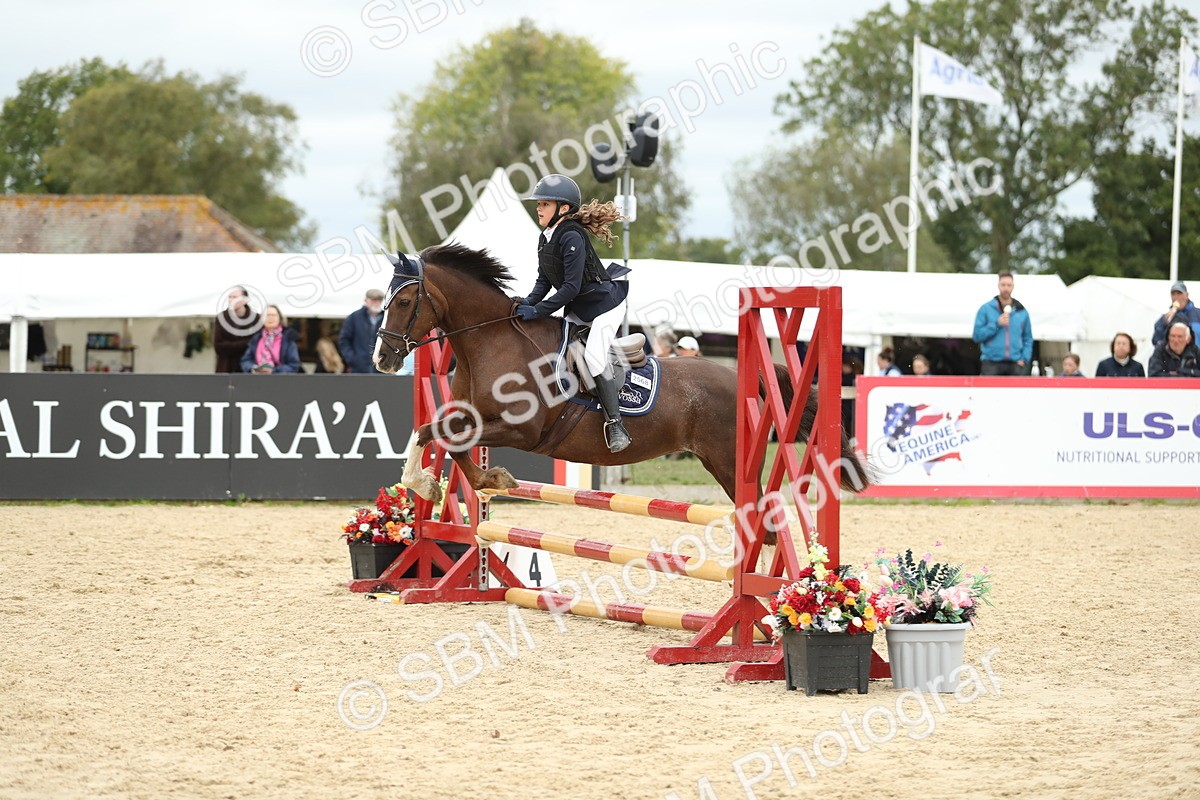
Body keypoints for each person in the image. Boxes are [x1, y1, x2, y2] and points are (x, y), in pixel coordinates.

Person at [516, 174, 631, 452]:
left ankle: (615, 425)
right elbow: (544, 281)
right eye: (539, 204)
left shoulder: (572, 236)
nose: (538, 208)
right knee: (555, 349)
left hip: (605, 306)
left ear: (563, 209)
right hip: (580, 307)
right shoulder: (545, 238)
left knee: (592, 359)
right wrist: (524, 304)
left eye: (544, 204)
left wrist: (537, 311)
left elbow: (569, 288)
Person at [973, 271, 1033, 375]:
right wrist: (996, 324)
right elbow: (977, 336)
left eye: (1009, 285)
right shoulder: (986, 309)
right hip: (991, 363)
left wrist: (1024, 358)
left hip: (1015, 364)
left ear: (1013, 286)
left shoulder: (1022, 311)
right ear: (998, 285)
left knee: (1015, 392)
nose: (1006, 288)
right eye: (1003, 285)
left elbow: (1028, 338)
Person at [240, 305, 301, 374]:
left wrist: (273, 371)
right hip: (257, 380)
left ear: (280, 318)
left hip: (281, 381)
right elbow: (245, 361)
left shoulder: (288, 338)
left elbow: (294, 366)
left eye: (273, 315)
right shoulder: (256, 338)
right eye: (267, 315)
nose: (270, 318)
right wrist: (254, 368)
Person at [213, 286, 259, 373]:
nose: (231, 300)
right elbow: (219, 347)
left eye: (235, 297)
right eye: (230, 297)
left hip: (248, 370)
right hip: (225, 368)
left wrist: (230, 346)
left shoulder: (256, 319)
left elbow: (256, 345)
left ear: (245, 300)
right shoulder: (221, 318)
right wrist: (246, 343)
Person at [339, 288, 386, 374]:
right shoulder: (353, 318)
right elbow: (344, 341)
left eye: (379, 300)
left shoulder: (386, 318)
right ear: (366, 301)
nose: (377, 302)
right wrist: (353, 359)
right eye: (374, 300)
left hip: (381, 369)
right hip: (358, 370)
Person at [1152, 281, 1200, 347]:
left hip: (1195, 355)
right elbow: (1155, 341)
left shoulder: (1198, 314)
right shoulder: (1166, 318)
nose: (1176, 297)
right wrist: (1164, 322)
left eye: (1179, 293)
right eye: (1173, 294)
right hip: (1172, 356)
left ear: (1187, 295)